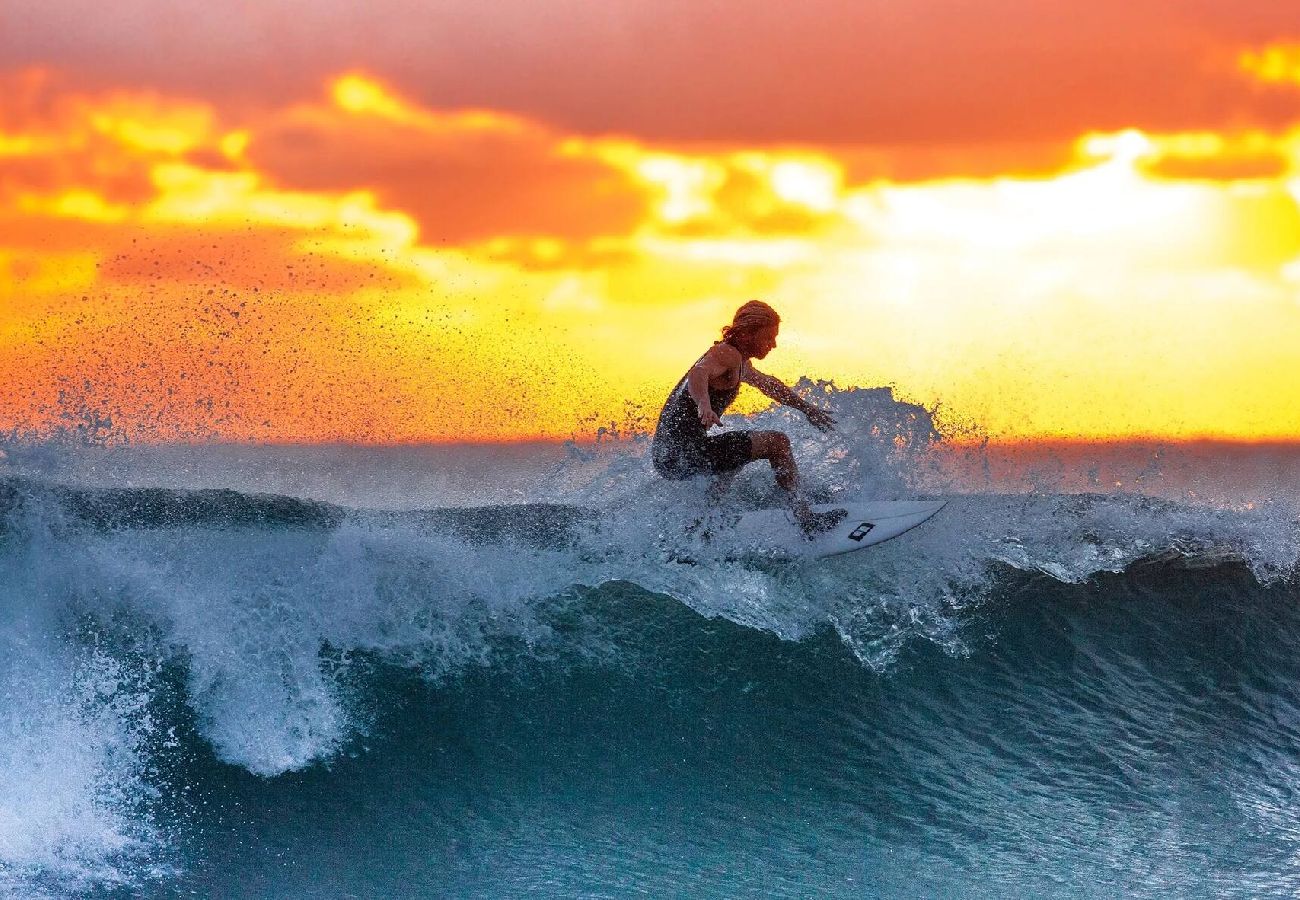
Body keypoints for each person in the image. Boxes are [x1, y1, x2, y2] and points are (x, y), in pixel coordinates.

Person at [651, 300, 846, 537]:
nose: (773, 345)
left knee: (739, 453)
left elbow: (770, 385)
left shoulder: (739, 362)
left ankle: (699, 527)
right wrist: (703, 403)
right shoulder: (725, 353)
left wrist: (807, 408)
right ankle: (806, 520)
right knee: (777, 443)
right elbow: (698, 372)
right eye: (768, 337)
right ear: (746, 333)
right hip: (682, 453)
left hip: (668, 456)